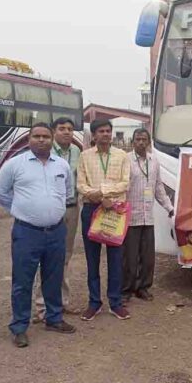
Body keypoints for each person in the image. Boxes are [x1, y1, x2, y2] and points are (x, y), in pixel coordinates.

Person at [0, 123, 76, 348]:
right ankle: (19, 327)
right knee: (23, 280)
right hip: (27, 232)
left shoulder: (62, 165)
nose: (42, 140)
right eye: (37, 136)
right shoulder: (15, 165)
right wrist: (22, 210)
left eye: (46, 136)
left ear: (52, 140)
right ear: (29, 139)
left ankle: (54, 318)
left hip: (56, 231)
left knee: (54, 276)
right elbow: (0, 192)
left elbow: (68, 193)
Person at [77, 119, 131, 321]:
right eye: (101, 131)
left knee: (115, 259)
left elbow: (125, 183)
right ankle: (94, 302)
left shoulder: (122, 155)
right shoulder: (85, 156)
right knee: (92, 260)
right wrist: (100, 196)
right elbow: (81, 185)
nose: (106, 134)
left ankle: (115, 303)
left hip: (115, 211)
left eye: (109, 131)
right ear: (94, 135)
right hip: (92, 209)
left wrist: (104, 194)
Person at [33, 117, 82, 322]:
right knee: (44, 258)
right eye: (61, 129)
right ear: (54, 132)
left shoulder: (77, 152)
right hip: (50, 211)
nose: (66, 132)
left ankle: (62, 302)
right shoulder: (44, 153)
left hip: (71, 209)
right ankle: (41, 305)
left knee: (65, 257)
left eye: (70, 129)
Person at [122, 128, 174, 303]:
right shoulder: (125, 160)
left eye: (144, 139)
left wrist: (169, 207)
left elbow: (158, 187)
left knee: (147, 256)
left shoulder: (154, 161)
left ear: (149, 142)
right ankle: (127, 289)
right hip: (130, 217)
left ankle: (143, 287)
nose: (141, 143)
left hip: (147, 217)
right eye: (138, 139)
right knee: (129, 257)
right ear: (132, 142)